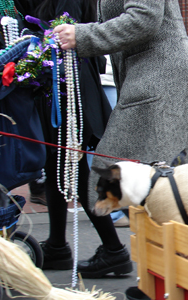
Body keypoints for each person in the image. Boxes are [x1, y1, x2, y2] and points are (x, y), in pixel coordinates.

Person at [54, 0, 188, 210]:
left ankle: (119, 239)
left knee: (147, 176)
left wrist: (83, 36)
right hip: (155, 78)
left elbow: (144, 18)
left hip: (165, 80)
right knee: (164, 184)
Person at [29, 0, 133, 278]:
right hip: (64, 79)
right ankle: (57, 246)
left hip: (67, 81)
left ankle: (113, 250)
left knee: (70, 169)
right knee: (56, 167)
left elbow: (68, 29)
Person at [99, 54, 129, 227]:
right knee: (107, 145)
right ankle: (112, 212)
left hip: (110, 77)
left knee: (107, 144)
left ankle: (113, 211)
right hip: (105, 78)